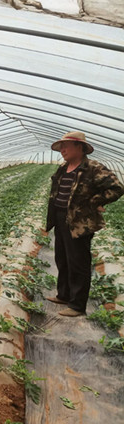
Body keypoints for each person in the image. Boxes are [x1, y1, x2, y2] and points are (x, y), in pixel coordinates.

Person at [46, 131, 124, 317]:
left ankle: (77, 305)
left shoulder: (93, 168)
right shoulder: (63, 168)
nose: (62, 150)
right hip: (60, 218)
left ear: (79, 147)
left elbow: (117, 188)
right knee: (62, 259)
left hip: (79, 222)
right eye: (61, 147)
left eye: (66, 146)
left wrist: (95, 201)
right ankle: (63, 295)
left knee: (78, 263)